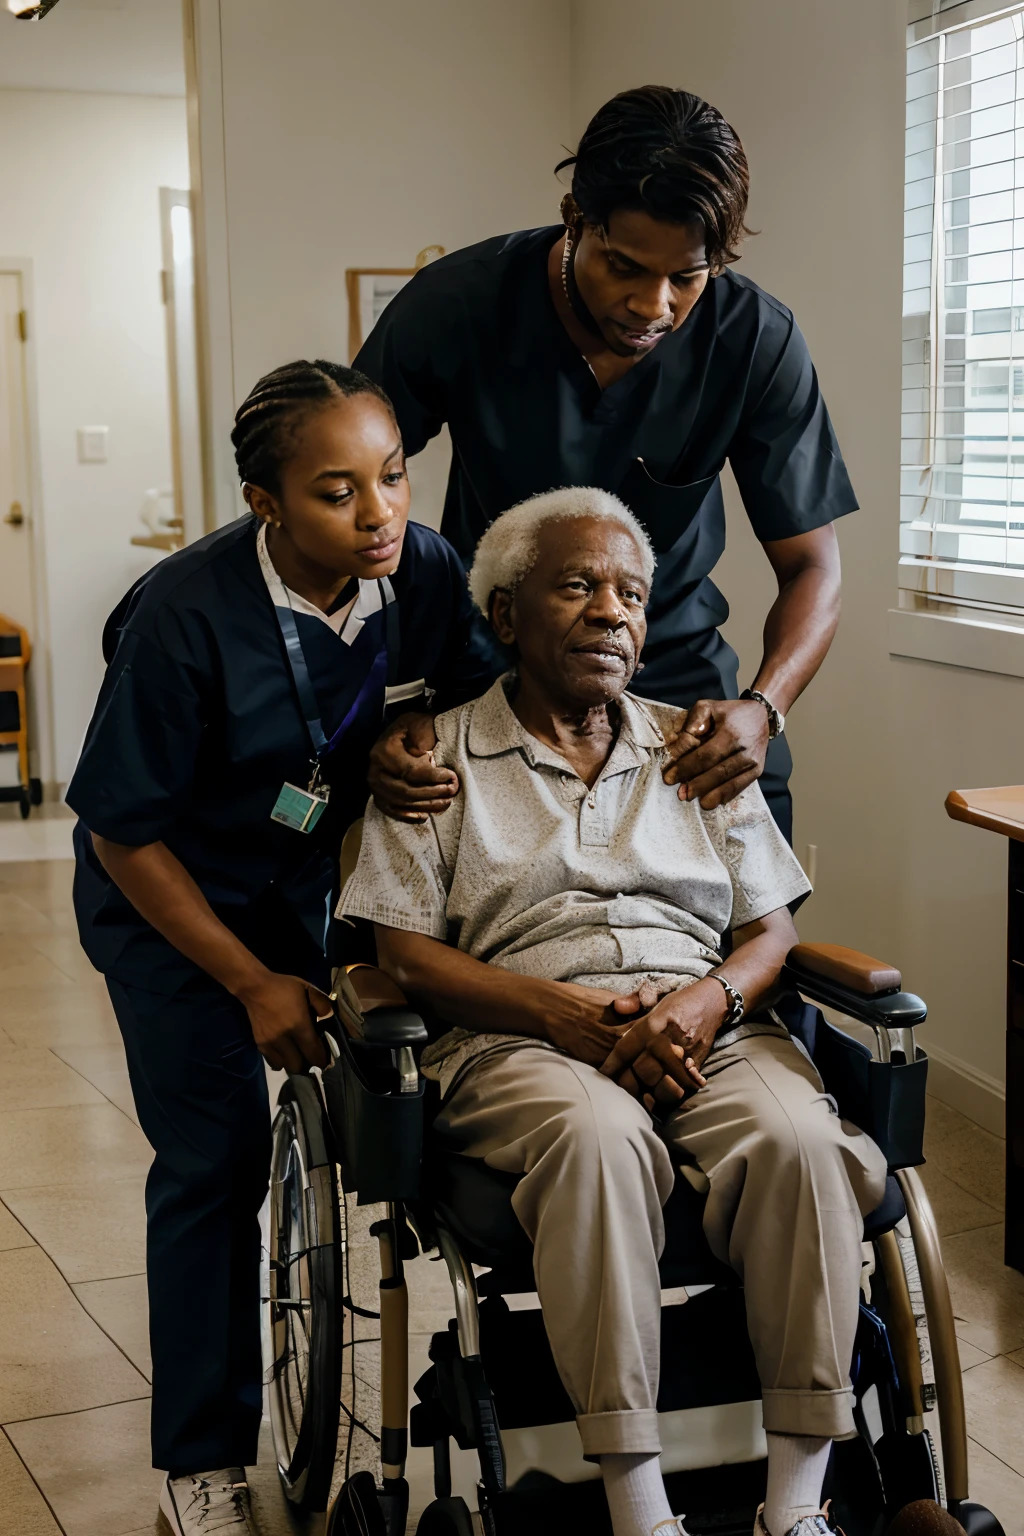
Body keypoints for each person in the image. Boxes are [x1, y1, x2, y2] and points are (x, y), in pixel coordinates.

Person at [341, 490, 887, 1536]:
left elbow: (770, 934)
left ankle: (795, 1507)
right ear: (504, 616)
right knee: (597, 1142)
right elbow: (403, 957)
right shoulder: (431, 763)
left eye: (630, 595)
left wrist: (703, 1000)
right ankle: (641, 1514)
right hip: (514, 1033)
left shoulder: (699, 746)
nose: (610, 614)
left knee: (799, 1144)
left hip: (702, 1021)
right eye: (578, 587)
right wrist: (561, 1016)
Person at [66, 361, 490, 1536]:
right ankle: (202, 1459)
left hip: (310, 878)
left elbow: (459, 693)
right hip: (170, 902)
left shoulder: (424, 571)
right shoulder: (184, 614)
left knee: (411, 1088)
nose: (380, 515)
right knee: (215, 1163)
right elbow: (119, 831)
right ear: (266, 503)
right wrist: (248, 980)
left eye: (395, 477)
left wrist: (409, 738)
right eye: (336, 492)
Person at [357, 85, 856, 846]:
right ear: (575, 219)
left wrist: (765, 705)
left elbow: (813, 566)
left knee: (741, 910)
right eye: (623, 266)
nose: (652, 306)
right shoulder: (457, 306)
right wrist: (398, 698)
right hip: (490, 669)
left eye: (686, 278)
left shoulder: (755, 340)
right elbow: (349, 503)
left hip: (676, 680)